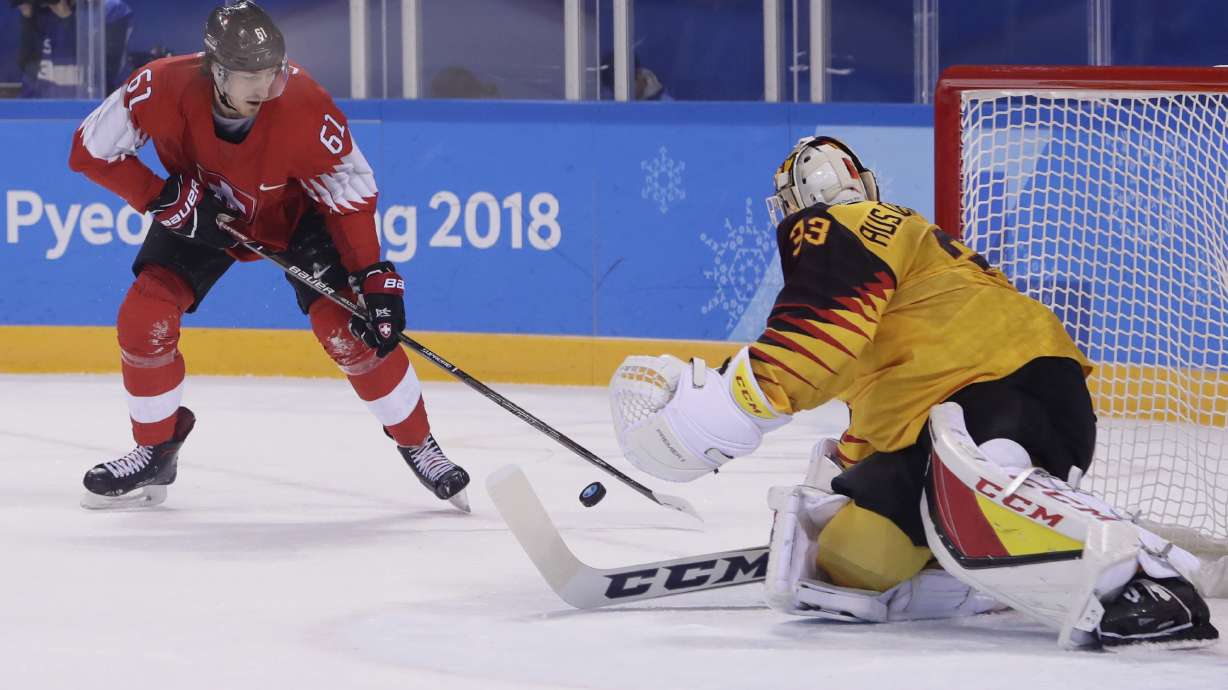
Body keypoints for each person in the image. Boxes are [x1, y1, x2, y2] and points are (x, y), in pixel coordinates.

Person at [607, 136, 1218, 647]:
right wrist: (845, 477)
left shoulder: (834, 229)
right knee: (849, 560)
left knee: (980, 482)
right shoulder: (899, 263)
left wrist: (704, 423)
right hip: (1006, 398)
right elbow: (867, 389)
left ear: (798, 205)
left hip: (996, 394)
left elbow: (807, 343)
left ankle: (1146, 576)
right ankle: (988, 571)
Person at [67, 1, 470, 511]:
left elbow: (349, 191)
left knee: (347, 330)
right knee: (143, 315)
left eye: (272, 72)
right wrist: (164, 198)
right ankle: (155, 449)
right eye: (251, 75)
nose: (266, 86)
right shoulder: (159, 86)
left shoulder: (304, 105)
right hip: (202, 210)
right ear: (216, 71)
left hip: (296, 214)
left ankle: (419, 443)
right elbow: (89, 149)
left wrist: (371, 273)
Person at [14, 0, 132, 97]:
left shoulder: (111, 10)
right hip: (39, 109)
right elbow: (27, 66)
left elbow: (105, 75)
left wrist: (64, 15)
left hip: (90, 111)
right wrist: (27, 17)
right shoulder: (37, 10)